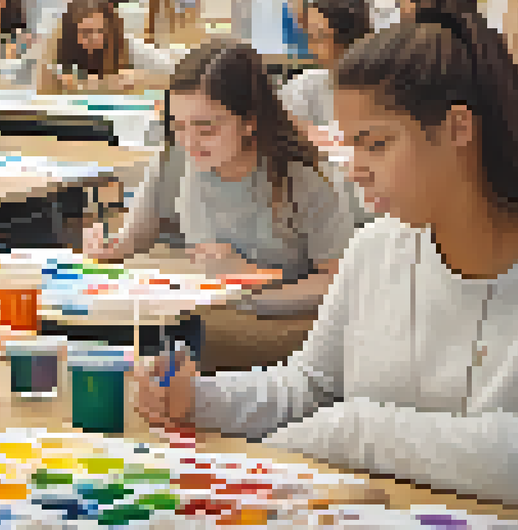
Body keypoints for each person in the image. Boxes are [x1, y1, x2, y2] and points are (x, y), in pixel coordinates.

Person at [133, 8, 518, 530]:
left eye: (375, 143)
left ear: (458, 128)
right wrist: (200, 399)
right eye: (351, 143)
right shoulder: (377, 248)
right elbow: (309, 386)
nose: (355, 168)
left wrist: (348, 430)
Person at [84, 39, 357, 371]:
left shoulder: (306, 178)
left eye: (206, 128)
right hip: (208, 315)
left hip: (285, 332)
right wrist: (108, 247)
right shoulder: (178, 157)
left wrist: (250, 282)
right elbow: (141, 231)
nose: (190, 142)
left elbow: (338, 280)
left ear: (249, 122)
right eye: (178, 126)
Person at [278, 0, 373, 143]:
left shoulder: (381, 91)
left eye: (318, 36)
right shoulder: (303, 87)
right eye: (309, 35)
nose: (310, 46)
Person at [34, 0, 175, 93]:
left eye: (100, 31)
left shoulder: (128, 48)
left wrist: (142, 79)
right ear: (71, 32)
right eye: (86, 32)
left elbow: (175, 77)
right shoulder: (59, 46)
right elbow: (41, 89)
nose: (94, 38)